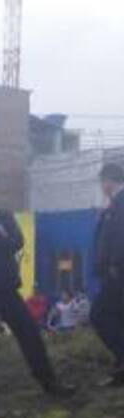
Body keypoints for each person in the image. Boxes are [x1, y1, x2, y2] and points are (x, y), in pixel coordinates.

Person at [0, 175, 73, 400]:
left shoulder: (4, 216)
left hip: (6, 289)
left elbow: (18, 242)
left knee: (30, 335)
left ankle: (49, 382)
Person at [91, 162, 124, 386]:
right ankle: (121, 367)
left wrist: (114, 266)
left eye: (102, 181)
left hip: (118, 274)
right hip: (114, 273)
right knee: (118, 318)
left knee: (99, 315)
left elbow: (121, 236)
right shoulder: (113, 205)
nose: (102, 186)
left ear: (109, 181)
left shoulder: (121, 203)